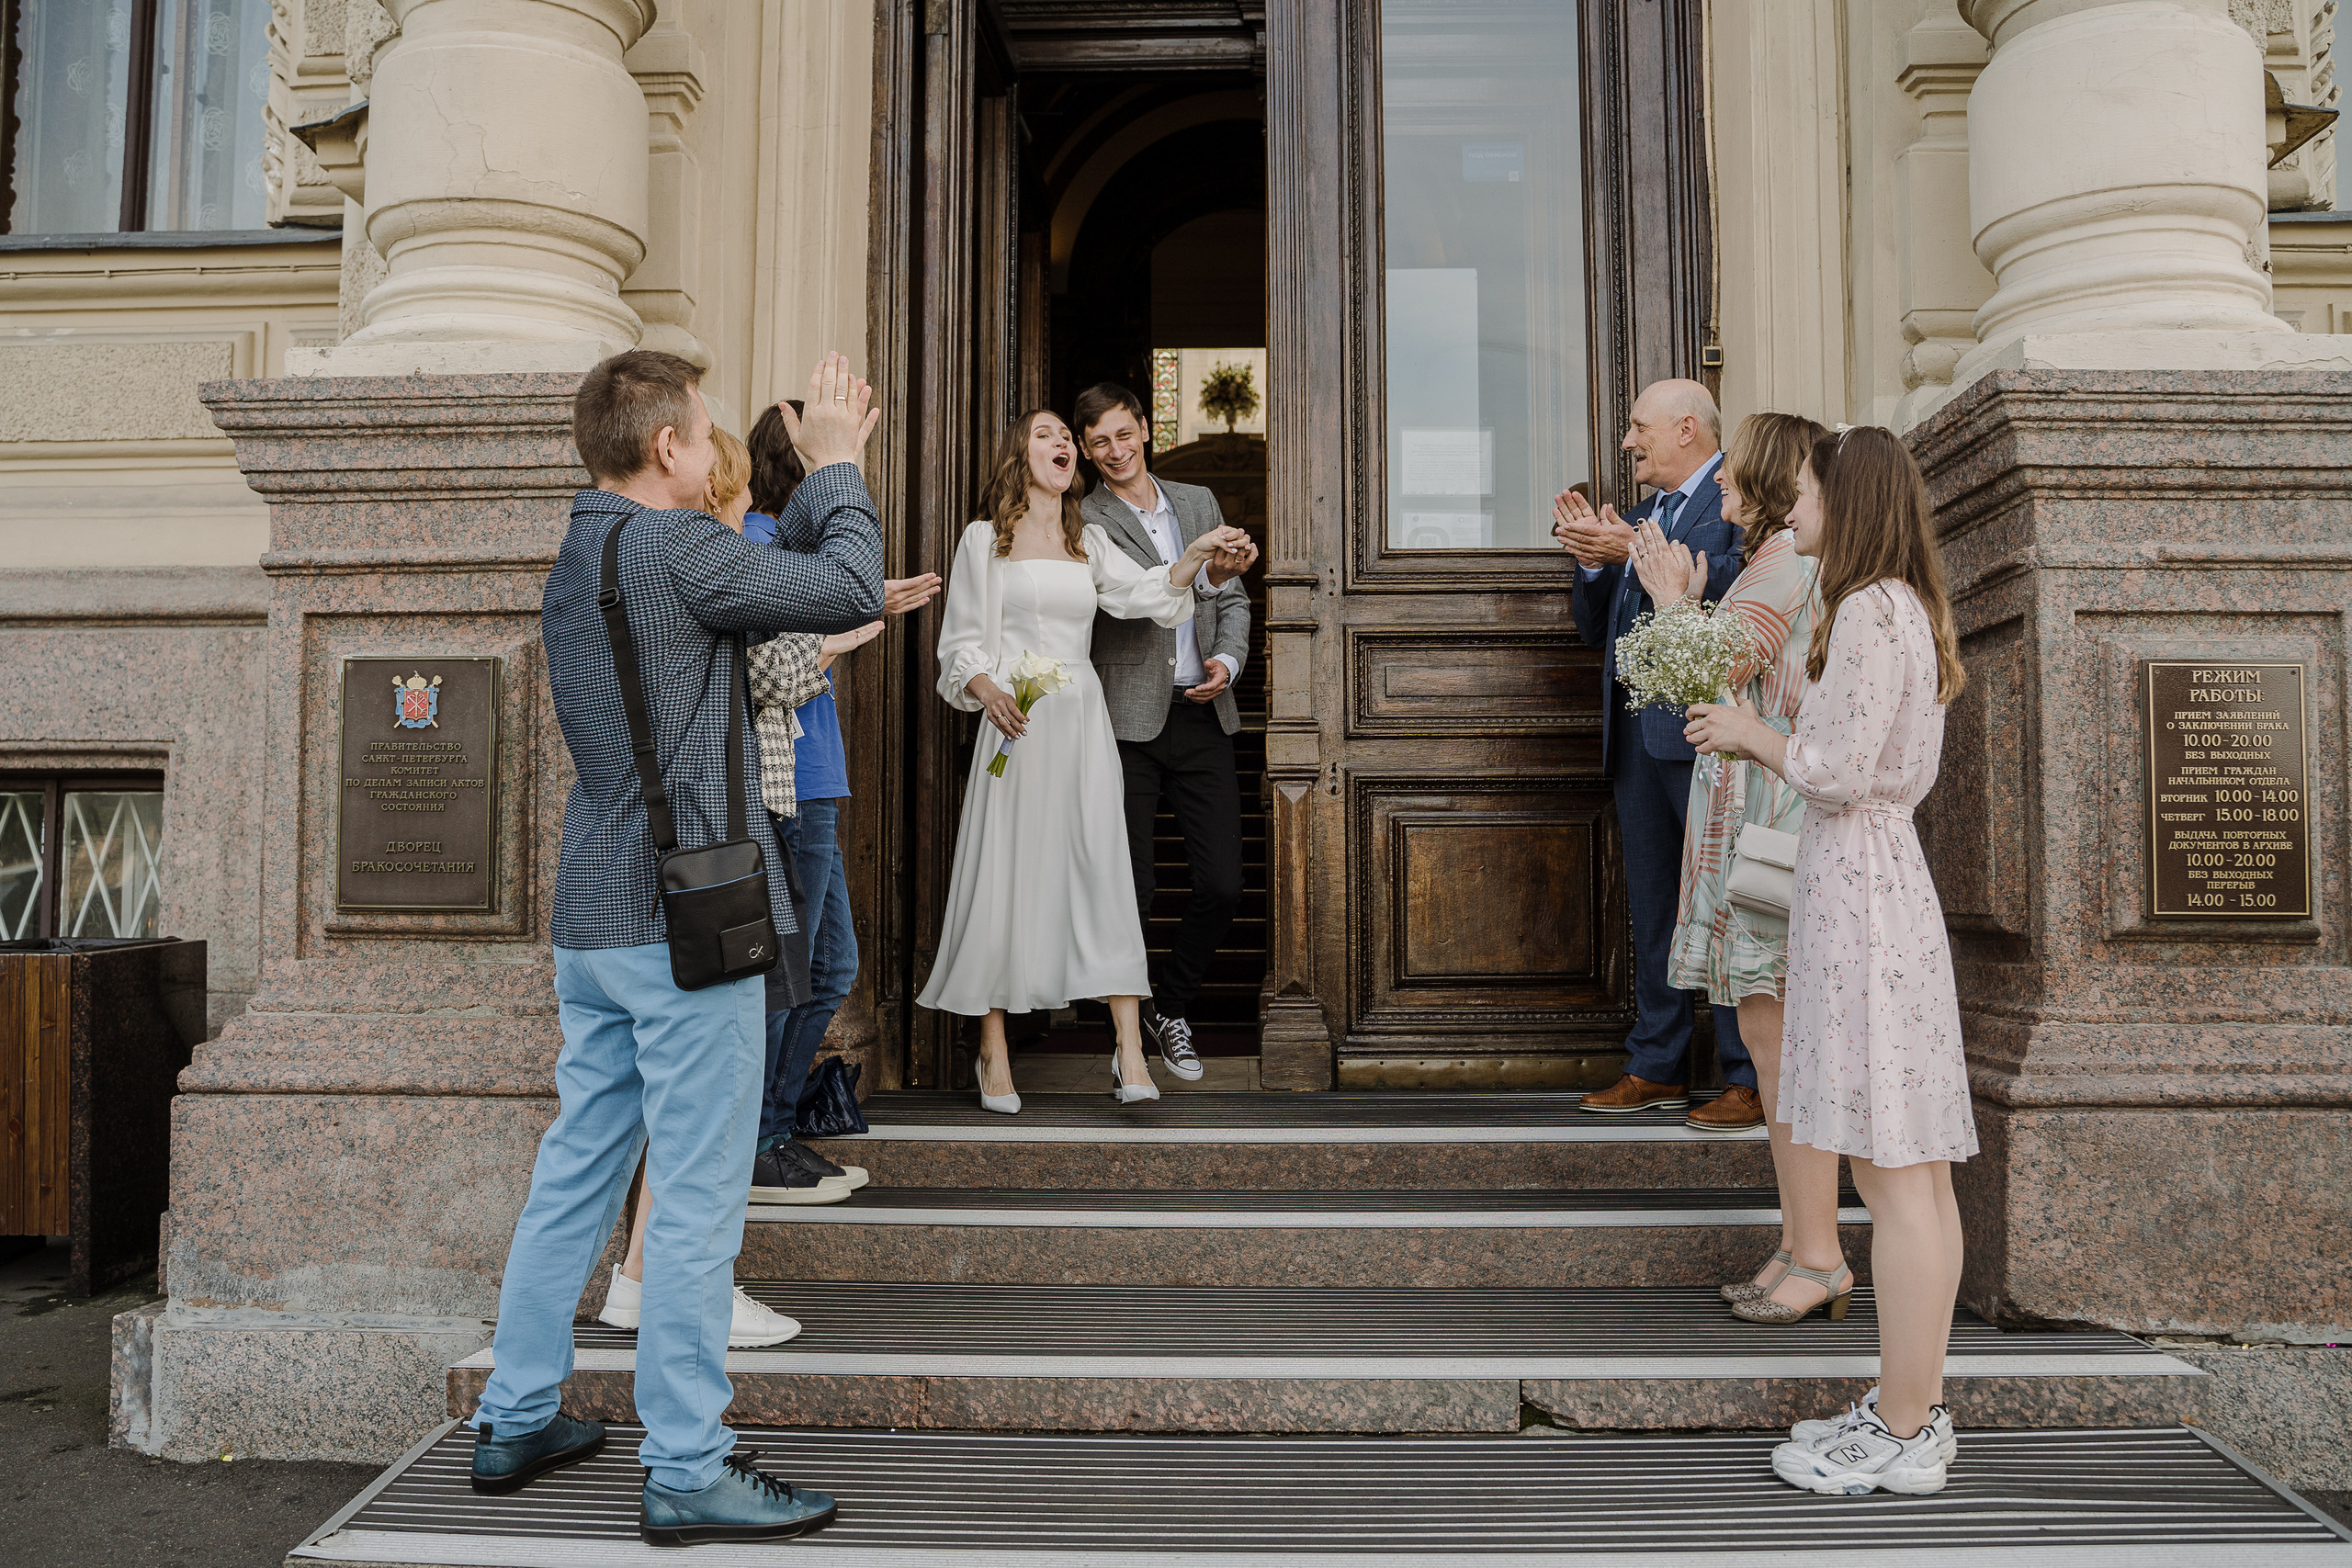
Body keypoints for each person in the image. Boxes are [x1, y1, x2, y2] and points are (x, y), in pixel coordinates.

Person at [469, 350, 881, 1546]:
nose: (713, 457)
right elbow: (846, 584)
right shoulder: (676, 547)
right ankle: (690, 1463)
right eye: (704, 436)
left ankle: (515, 1409)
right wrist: (842, 462)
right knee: (698, 1199)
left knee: (577, 1170)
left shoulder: (585, 546)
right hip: (691, 916)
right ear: (664, 448)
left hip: (596, 915)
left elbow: (762, 567)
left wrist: (802, 479)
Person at [1684, 424, 1973, 1497]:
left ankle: (1903, 1428)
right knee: (1915, 1176)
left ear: (1846, 501)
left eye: (1805, 493)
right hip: (1888, 876)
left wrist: (1756, 736)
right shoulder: (1912, 605)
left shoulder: (1861, 607)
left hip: (1855, 883)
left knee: (1889, 1176)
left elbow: (1838, 767)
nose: (1792, 509)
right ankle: (1916, 1410)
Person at [915, 409, 1250, 1110]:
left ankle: (1130, 1047)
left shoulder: (1086, 537)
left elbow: (1149, 596)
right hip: (1018, 725)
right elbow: (960, 644)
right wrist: (986, 686)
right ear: (1020, 453)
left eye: (1068, 436)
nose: (1064, 443)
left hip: (1083, 719)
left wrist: (1196, 559)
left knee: (1104, 869)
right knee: (1007, 874)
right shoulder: (984, 541)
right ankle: (993, 1047)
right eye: (1049, 434)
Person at [1626, 417, 1839, 1326]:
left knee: (1779, 1049)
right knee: (1769, 1042)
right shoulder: (1779, 564)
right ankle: (1797, 1245)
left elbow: (1712, 667)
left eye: (1732, 477)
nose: (1717, 490)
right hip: (1756, 810)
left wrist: (1674, 601)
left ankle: (1818, 1255)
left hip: (1769, 819)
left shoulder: (1784, 563)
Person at [741, 399, 939, 1171]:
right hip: (792, 784)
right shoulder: (758, 540)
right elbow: (772, 669)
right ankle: (762, 1136)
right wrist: (851, 625)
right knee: (800, 968)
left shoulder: (790, 550)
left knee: (828, 968)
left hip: (816, 777)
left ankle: (776, 1123)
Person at [1558, 379, 1756, 1124]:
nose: (1628, 441)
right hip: (1635, 741)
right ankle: (1657, 1064)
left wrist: (1634, 548)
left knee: (1730, 901)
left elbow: (1735, 577)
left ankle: (1748, 1074)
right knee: (1656, 906)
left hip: (1708, 731)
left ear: (1685, 429)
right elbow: (1591, 625)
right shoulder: (1640, 516)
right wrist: (1591, 561)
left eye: (1639, 427)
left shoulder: (1740, 494)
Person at [1072, 381, 1260, 1077]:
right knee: (1133, 889)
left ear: (1146, 429)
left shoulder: (1196, 502)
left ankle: (1170, 1005)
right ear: (1087, 453)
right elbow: (1128, 600)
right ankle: (1127, 1035)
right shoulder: (1082, 517)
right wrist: (1198, 575)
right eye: (1099, 443)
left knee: (1223, 884)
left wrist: (1230, 659)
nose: (1115, 451)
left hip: (1203, 711)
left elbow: (1232, 595)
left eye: (1124, 435)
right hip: (1124, 723)